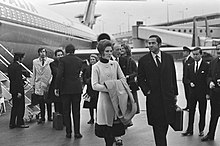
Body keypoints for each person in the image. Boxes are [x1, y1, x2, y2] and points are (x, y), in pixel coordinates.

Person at [137, 35, 178, 146]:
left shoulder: (168, 58)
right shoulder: (143, 60)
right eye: (149, 43)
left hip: (168, 98)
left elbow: (173, 76)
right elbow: (140, 78)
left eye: (153, 43)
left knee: (165, 125)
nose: (150, 45)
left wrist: (175, 93)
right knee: (158, 127)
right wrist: (147, 91)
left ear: (159, 44)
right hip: (154, 99)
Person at [91, 39, 126, 146]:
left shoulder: (115, 64)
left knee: (115, 128)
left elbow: (123, 78)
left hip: (116, 99)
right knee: (107, 131)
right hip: (104, 101)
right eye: (107, 51)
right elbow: (94, 85)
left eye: (110, 51)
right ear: (101, 52)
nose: (109, 53)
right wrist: (109, 88)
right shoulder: (96, 66)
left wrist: (117, 86)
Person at [54, 44, 83, 139]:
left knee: (66, 111)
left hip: (65, 89)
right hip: (76, 88)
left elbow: (59, 75)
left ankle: (68, 132)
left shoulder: (62, 60)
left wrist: (57, 87)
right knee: (76, 111)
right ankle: (77, 132)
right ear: (74, 51)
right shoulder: (79, 60)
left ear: (66, 51)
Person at [182, 47, 209, 137]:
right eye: (194, 54)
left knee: (202, 112)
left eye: (197, 54)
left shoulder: (206, 66)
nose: (195, 56)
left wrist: (208, 93)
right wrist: (190, 83)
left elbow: (207, 79)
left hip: (202, 93)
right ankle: (190, 129)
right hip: (192, 93)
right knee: (191, 111)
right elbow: (185, 78)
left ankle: (201, 129)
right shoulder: (189, 65)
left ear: (201, 54)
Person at [201, 45, 220, 142]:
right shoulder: (213, 62)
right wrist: (210, 82)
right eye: (218, 49)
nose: (219, 51)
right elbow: (208, 76)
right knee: (214, 115)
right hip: (215, 95)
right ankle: (210, 134)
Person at [32, 48, 54, 124]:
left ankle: (50, 116)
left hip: (47, 83)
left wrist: (50, 82)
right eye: (41, 52)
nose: (43, 53)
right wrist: (33, 84)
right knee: (41, 101)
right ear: (39, 53)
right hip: (39, 84)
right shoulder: (35, 62)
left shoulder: (51, 61)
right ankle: (42, 117)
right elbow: (34, 73)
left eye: (44, 52)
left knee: (48, 101)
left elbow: (52, 73)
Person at [8, 52, 29, 129]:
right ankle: (20, 122)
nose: (23, 59)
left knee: (14, 107)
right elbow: (17, 80)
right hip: (18, 90)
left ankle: (12, 123)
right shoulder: (18, 67)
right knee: (20, 107)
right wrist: (19, 92)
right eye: (22, 58)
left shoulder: (10, 66)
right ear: (19, 58)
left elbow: (12, 79)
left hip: (13, 89)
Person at [82, 54, 99, 124]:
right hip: (89, 88)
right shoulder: (87, 68)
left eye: (93, 59)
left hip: (97, 89)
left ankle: (98, 118)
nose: (92, 61)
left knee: (97, 104)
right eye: (91, 59)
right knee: (90, 104)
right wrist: (88, 81)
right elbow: (84, 77)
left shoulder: (98, 68)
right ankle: (91, 118)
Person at [48, 49, 64, 114]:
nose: (60, 56)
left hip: (64, 86)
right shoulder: (52, 64)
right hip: (56, 86)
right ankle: (58, 121)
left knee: (64, 105)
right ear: (55, 56)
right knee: (57, 105)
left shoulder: (65, 63)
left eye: (61, 55)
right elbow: (56, 73)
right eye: (58, 55)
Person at [182, 46, 194, 111]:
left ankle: (191, 106)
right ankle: (188, 105)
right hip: (185, 80)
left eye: (184, 51)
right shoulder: (184, 60)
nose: (183, 53)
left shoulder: (191, 60)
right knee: (186, 94)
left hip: (189, 80)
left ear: (187, 52)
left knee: (190, 94)